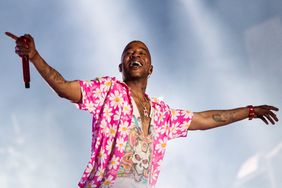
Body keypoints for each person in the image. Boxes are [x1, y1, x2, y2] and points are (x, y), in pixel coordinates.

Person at [6, 32, 279, 188]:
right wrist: (35, 57)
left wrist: (250, 110)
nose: (135, 55)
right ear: (121, 66)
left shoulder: (162, 114)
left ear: (150, 68)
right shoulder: (109, 92)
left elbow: (205, 118)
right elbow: (64, 88)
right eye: (129, 52)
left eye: (142, 52)